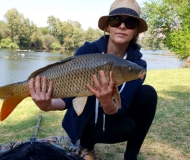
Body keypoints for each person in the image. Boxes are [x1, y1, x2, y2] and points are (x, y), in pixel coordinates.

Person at [28, 0, 158, 159]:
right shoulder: (87, 51)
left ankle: (131, 156)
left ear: (136, 30)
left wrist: (107, 101)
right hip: (85, 125)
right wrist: (47, 105)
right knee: (81, 104)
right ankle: (85, 144)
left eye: (130, 22)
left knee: (148, 94)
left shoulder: (137, 66)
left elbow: (121, 108)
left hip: (113, 125)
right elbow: (69, 98)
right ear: (108, 26)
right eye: (116, 20)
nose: (122, 26)